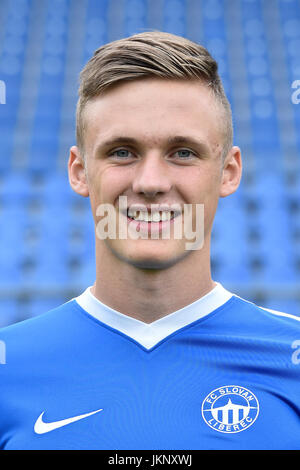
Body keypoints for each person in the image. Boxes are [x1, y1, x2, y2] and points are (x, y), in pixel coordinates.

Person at [0, 31, 300, 451]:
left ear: (229, 171)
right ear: (79, 171)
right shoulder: (8, 367)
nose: (151, 183)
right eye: (122, 152)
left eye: (183, 152)